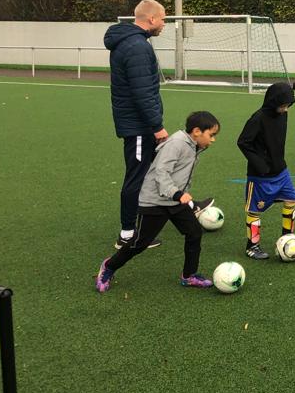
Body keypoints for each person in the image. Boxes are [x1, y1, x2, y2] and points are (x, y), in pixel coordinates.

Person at [94, 111, 219, 293]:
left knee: (194, 233)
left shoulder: (193, 145)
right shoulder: (177, 143)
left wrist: (178, 194)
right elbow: (161, 172)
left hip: (173, 200)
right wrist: (177, 194)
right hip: (155, 201)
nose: (213, 140)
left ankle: (189, 275)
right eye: (212, 135)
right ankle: (109, 267)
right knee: (140, 243)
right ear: (197, 131)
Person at [104, 0, 169, 250]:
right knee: (137, 177)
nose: (164, 24)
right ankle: (128, 235)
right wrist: (156, 126)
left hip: (140, 124)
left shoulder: (131, 42)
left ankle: (184, 209)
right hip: (139, 127)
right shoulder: (137, 47)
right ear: (151, 19)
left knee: (155, 171)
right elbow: (142, 92)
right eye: (162, 18)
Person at [237, 82, 295, 260]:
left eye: (288, 105)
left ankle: (287, 238)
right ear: (273, 102)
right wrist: (260, 165)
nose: (286, 109)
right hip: (260, 176)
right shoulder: (257, 119)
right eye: (283, 105)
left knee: (291, 199)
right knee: (254, 210)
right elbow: (243, 142)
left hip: (281, 171)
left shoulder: (282, 115)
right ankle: (252, 246)